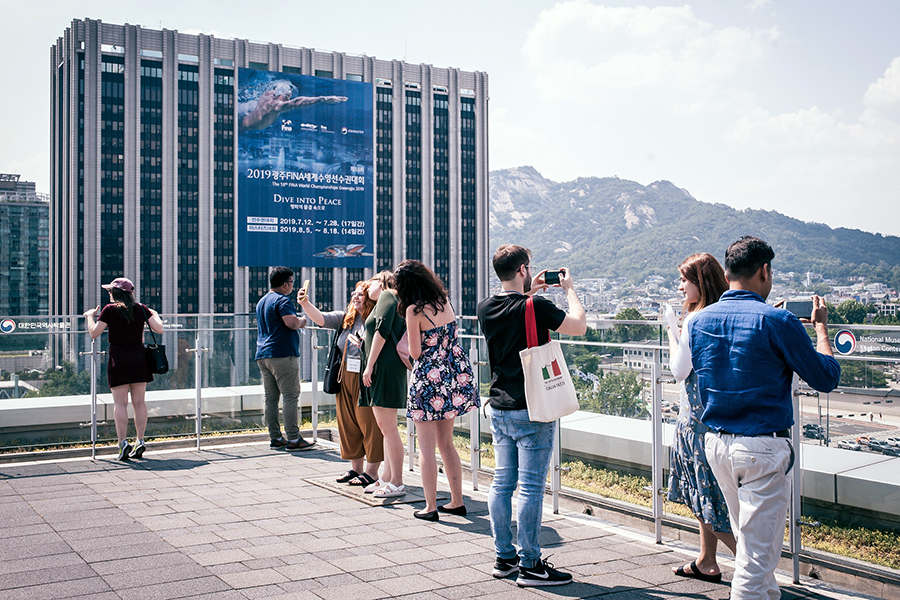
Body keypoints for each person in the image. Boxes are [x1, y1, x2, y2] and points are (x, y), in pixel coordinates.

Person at [689, 237, 841, 600]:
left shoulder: (698, 321)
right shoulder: (778, 320)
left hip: (717, 445)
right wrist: (820, 330)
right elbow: (825, 377)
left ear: (727, 274)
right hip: (762, 448)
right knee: (756, 562)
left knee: (751, 548)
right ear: (765, 271)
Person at [477, 245, 586, 587]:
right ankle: (531, 564)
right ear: (523, 268)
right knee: (532, 487)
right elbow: (578, 326)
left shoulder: (485, 307)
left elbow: (513, 314)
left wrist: (531, 291)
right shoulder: (536, 305)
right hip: (533, 409)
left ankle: (504, 557)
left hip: (498, 406)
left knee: (502, 482)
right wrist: (569, 290)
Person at [665, 253, 737, 583]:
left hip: (695, 420)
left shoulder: (697, 320)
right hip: (720, 417)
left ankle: (752, 564)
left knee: (705, 495)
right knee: (709, 492)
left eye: (685, 280)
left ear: (700, 283)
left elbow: (680, 370)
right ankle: (707, 560)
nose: (680, 287)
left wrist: (670, 329)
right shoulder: (727, 314)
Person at [394, 260, 480, 521]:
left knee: (426, 448)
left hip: (428, 382)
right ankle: (457, 501)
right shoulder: (445, 300)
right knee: (447, 444)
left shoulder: (413, 310)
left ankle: (430, 507)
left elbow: (416, 352)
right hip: (453, 376)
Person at [298, 280, 383, 486]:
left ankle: (372, 472)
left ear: (371, 298)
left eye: (360, 295)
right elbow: (321, 319)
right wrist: (305, 304)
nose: (355, 297)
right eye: (353, 294)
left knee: (369, 423)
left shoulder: (377, 320)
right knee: (348, 422)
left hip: (367, 376)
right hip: (344, 376)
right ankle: (356, 469)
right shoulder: (346, 319)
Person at [84, 277, 164, 461]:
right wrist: (156, 314)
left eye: (110, 291)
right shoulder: (141, 308)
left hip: (118, 360)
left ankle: (122, 443)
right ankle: (140, 440)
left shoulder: (109, 310)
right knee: (139, 403)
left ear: (116, 293)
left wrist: (89, 316)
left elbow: (94, 333)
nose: (109, 294)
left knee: (120, 404)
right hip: (139, 359)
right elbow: (159, 329)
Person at [360, 271, 409, 499]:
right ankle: (388, 478)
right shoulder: (390, 299)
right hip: (386, 367)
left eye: (371, 282)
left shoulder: (388, 296)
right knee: (386, 429)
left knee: (388, 429)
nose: (367, 287)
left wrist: (369, 366)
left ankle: (397, 482)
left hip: (384, 368)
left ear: (382, 282)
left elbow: (382, 331)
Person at [255, 267, 315, 451]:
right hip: (282, 354)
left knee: (271, 398)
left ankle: (275, 437)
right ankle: (294, 439)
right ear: (285, 284)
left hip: (263, 355)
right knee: (290, 396)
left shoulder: (262, 301)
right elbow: (291, 323)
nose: (292, 286)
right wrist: (302, 321)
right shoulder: (283, 300)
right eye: (291, 282)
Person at [238, 77, 348, 131]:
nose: (288, 100)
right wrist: (323, 98)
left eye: (289, 97)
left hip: (244, 115)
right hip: (242, 125)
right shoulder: (275, 106)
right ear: (278, 94)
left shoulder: (268, 94)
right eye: (286, 97)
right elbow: (297, 102)